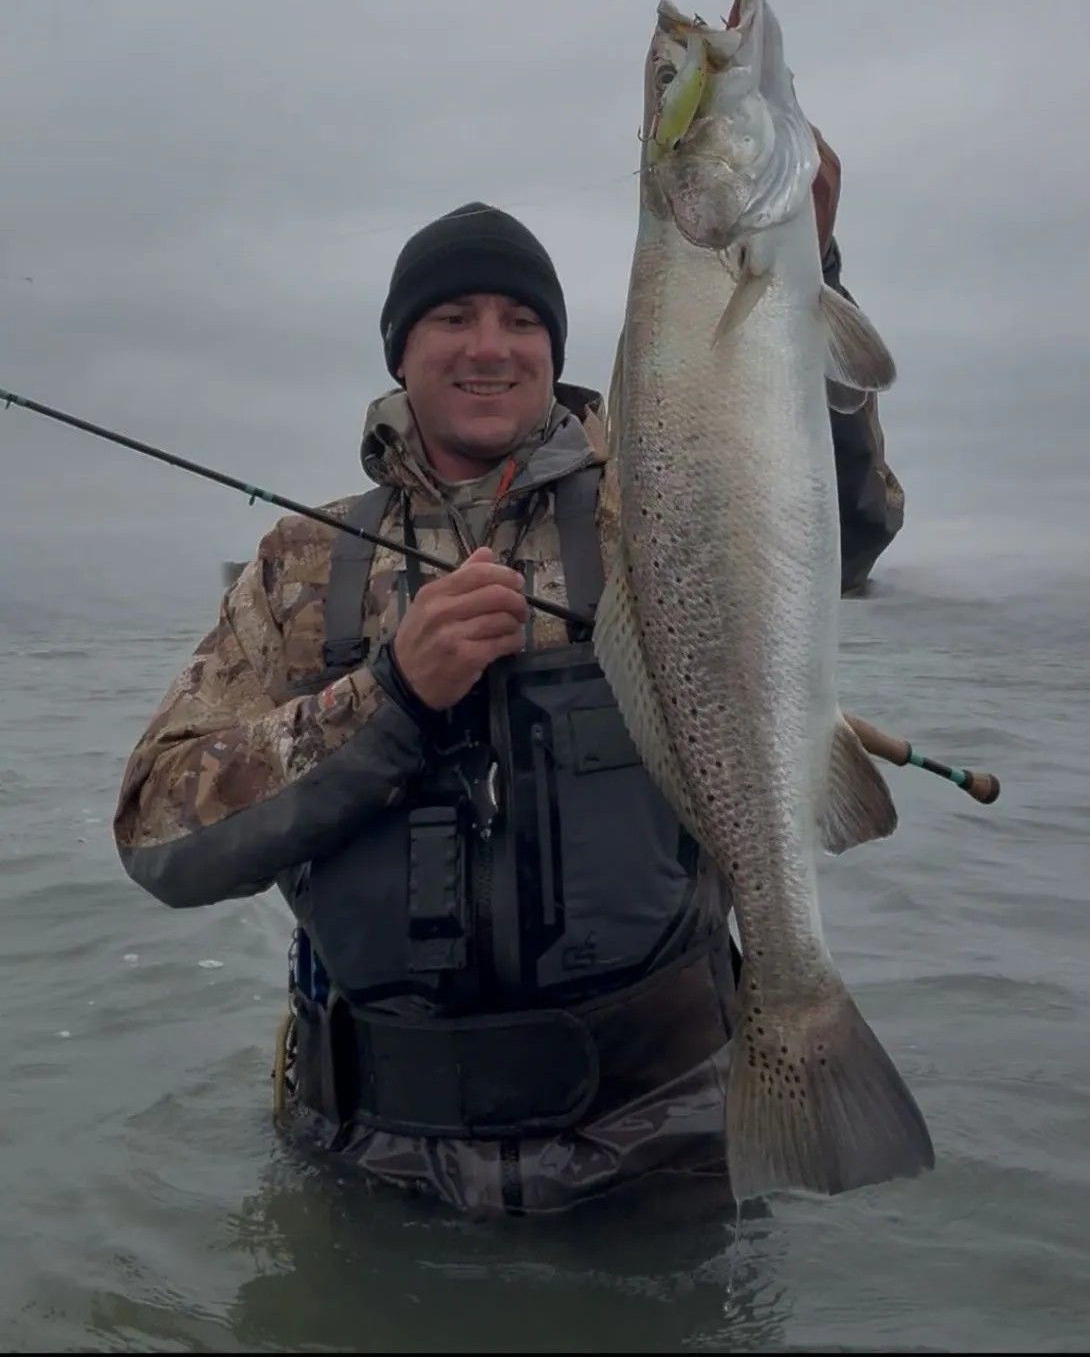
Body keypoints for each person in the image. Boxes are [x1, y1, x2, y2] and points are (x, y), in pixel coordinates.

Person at [115, 141, 903, 1216]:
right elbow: (159, 837)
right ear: (401, 351)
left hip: (659, 1142)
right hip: (368, 1163)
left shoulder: (656, 503)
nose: (490, 347)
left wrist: (805, 273)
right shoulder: (300, 567)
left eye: (521, 320)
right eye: (453, 319)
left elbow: (840, 528)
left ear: (553, 346)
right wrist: (385, 697)